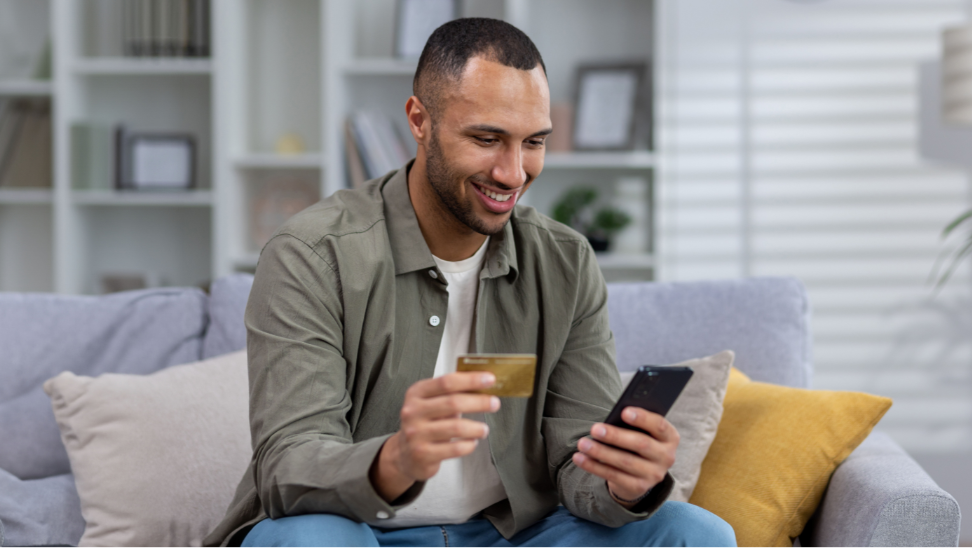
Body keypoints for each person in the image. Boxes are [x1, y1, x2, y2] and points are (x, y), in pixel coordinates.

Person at [204, 17, 736, 548]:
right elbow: (289, 462)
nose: (512, 173)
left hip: (513, 534)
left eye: (534, 142)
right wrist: (394, 461)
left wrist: (623, 484)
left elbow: (578, 458)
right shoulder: (313, 255)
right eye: (487, 139)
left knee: (694, 533)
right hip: (361, 532)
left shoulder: (565, 262)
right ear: (419, 120)